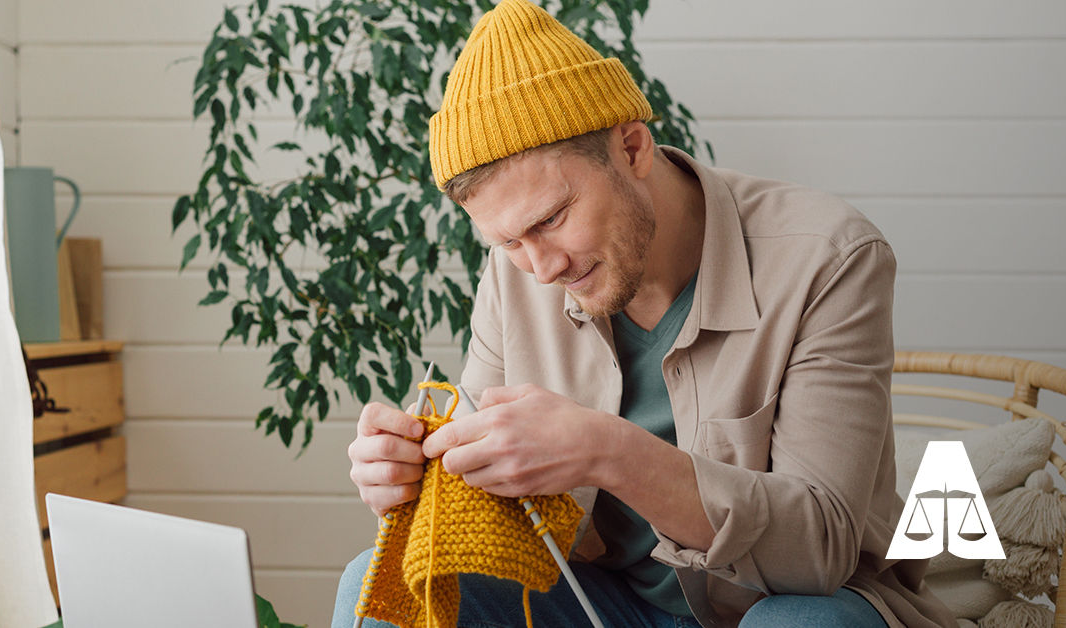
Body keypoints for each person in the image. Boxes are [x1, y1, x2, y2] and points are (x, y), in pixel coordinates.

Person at [334, 1, 958, 626]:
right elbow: (492, 499)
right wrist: (413, 478)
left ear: (632, 147)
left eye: (551, 219)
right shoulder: (518, 271)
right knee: (378, 582)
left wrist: (608, 451)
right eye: (508, 242)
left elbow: (820, 550)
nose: (542, 268)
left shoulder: (830, 256)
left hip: (782, 607)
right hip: (605, 603)